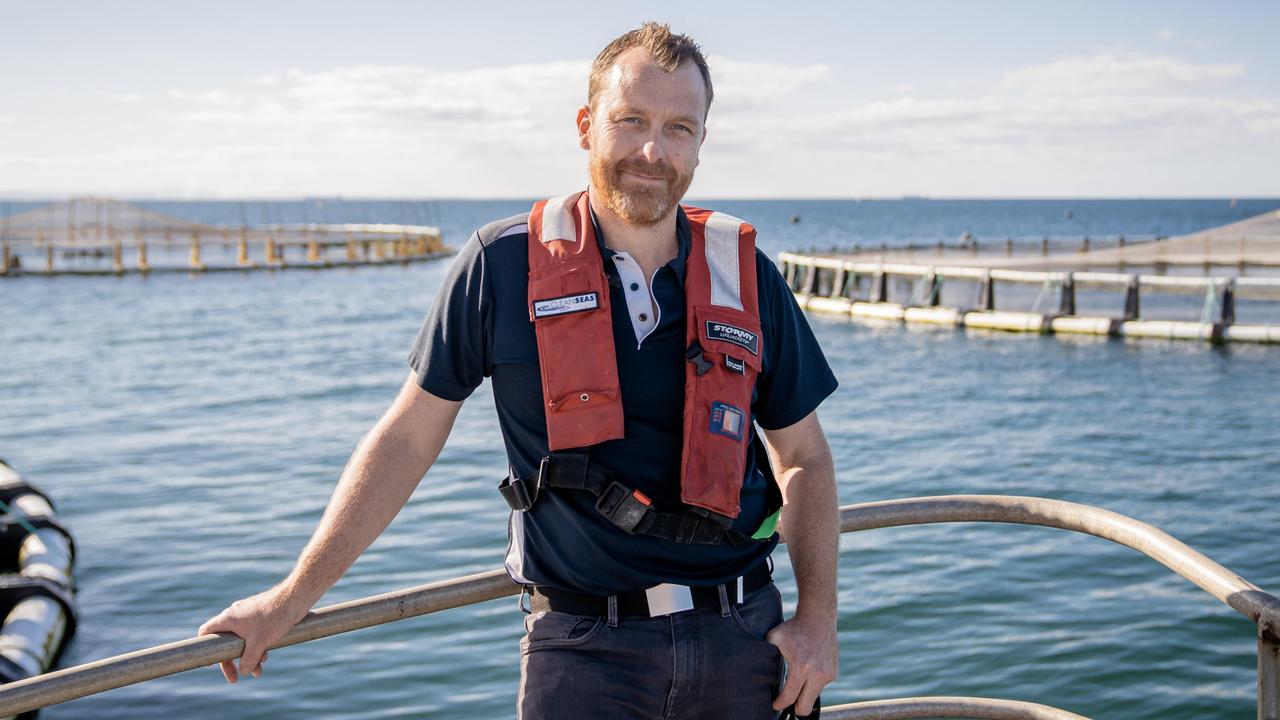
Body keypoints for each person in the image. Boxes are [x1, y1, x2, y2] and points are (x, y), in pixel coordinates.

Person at [200, 22, 840, 719]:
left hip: (744, 642)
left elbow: (804, 455)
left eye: (679, 128)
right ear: (585, 125)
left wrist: (818, 622)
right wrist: (290, 598)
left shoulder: (746, 275)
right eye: (631, 121)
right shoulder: (500, 265)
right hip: (582, 652)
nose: (653, 151)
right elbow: (407, 439)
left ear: (701, 141)